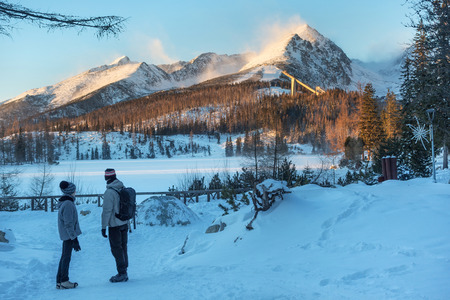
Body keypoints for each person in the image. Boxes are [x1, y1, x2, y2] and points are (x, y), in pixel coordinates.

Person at [101, 168, 129, 282]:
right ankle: (124, 270)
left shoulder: (109, 192)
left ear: (107, 178)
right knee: (123, 247)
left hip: (114, 225)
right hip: (124, 223)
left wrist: (103, 227)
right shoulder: (122, 187)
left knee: (116, 249)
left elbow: (107, 211)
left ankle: (121, 273)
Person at [56, 181, 82, 289]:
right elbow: (68, 223)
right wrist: (74, 238)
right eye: (74, 189)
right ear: (70, 191)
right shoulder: (68, 204)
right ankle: (64, 280)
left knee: (64, 256)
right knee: (66, 257)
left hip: (67, 235)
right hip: (68, 235)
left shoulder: (66, 202)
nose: (75, 191)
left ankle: (60, 281)